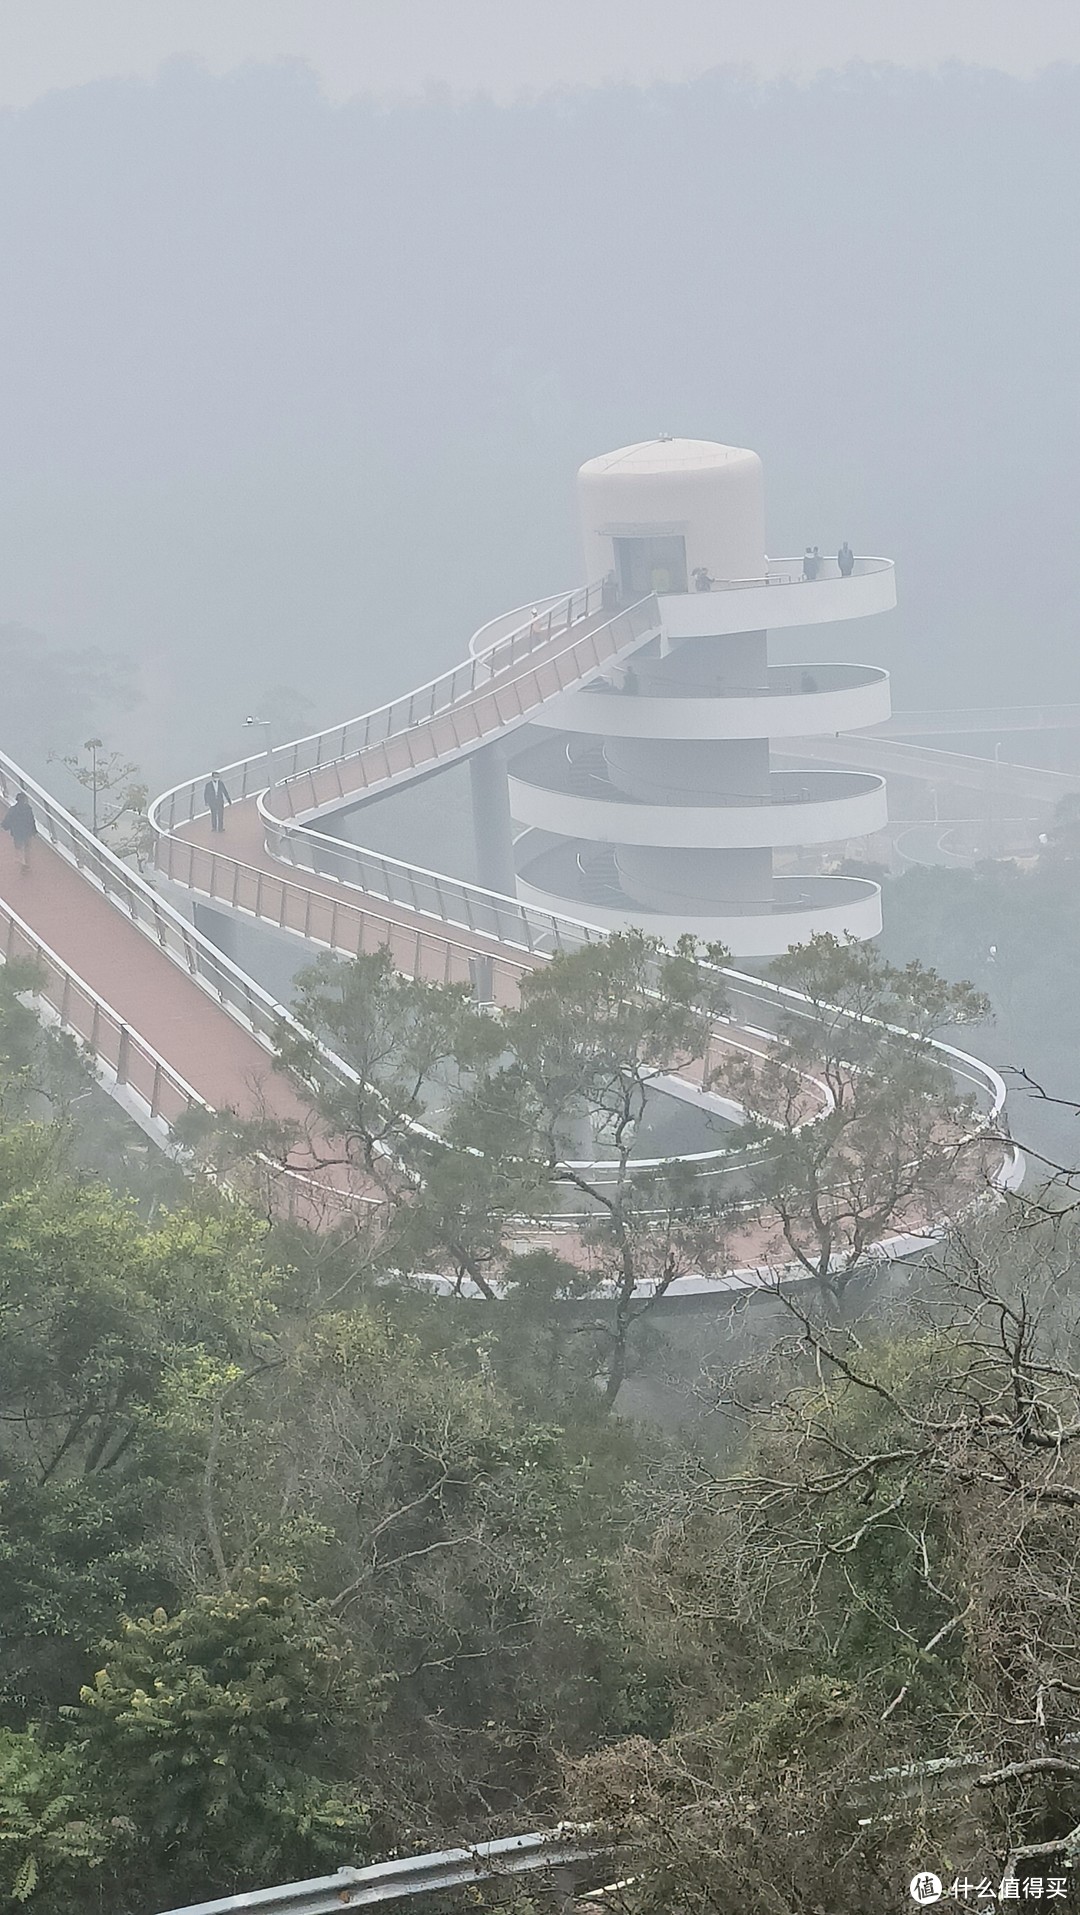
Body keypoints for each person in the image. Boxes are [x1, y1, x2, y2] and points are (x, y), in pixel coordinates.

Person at [1, 790, 37, 870]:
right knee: (27, 847)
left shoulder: (13, 809)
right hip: (26, 831)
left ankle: (22, 862)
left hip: (17, 832)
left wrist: (4, 826)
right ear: (24, 800)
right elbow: (31, 820)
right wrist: (34, 831)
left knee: (18, 847)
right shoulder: (28, 809)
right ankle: (27, 862)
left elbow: (8, 819)